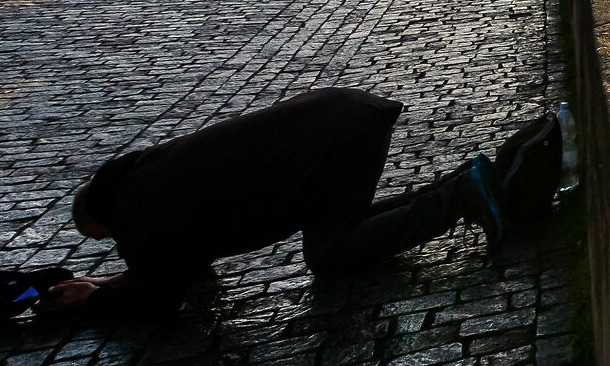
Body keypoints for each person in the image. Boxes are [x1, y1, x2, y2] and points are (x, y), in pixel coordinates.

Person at [41, 88, 510, 319]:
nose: (122, 244)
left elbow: (159, 293)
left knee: (329, 253)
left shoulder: (140, 212)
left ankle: (461, 197)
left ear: (107, 220)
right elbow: (182, 263)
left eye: (112, 240)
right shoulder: (145, 178)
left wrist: (96, 297)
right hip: (338, 121)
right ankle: (461, 185)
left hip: (333, 143)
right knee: (337, 225)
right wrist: (110, 279)